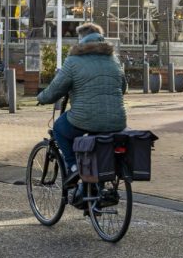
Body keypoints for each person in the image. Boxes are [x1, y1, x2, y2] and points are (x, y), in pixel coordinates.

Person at [37, 23, 127, 183]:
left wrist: (41, 98)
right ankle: (95, 193)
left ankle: (73, 167)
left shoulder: (73, 61)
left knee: (59, 128)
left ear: (82, 39)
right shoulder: (113, 60)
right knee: (98, 142)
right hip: (117, 121)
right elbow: (123, 87)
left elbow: (55, 89)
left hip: (85, 118)